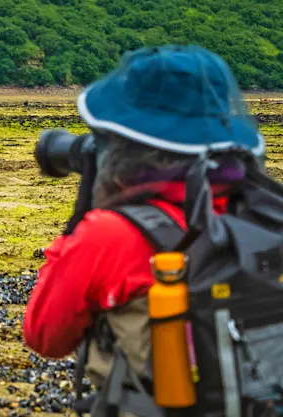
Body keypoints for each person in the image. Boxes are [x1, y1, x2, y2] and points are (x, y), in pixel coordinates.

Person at [22, 45, 265, 413]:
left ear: (122, 142)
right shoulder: (260, 214)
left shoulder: (110, 235)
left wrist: (80, 224)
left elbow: (45, 336)